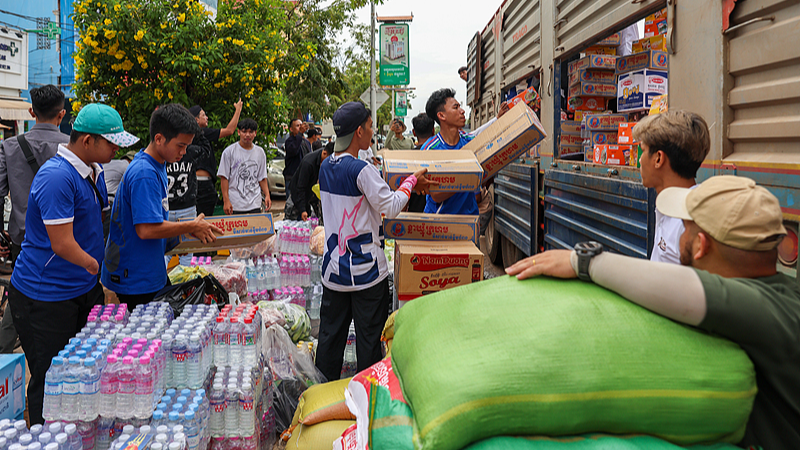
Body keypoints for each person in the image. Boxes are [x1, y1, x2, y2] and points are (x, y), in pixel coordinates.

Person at [507, 175, 799, 449]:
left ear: (700, 246)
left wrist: (583, 262)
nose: (680, 235)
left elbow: (691, 292)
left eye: (685, 227)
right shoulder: (780, 294)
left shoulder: (771, 311)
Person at [8, 103, 138, 424]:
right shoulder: (56, 177)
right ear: (87, 141)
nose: (116, 149)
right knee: (49, 375)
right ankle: (43, 433)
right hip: (45, 296)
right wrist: (97, 267)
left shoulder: (93, 171)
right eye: (111, 142)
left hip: (80, 288)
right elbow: (62, 243)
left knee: (81, 369)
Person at [315, 101, 437, 381]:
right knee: (369, 342)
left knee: (330, 340)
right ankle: (366, 399)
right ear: (359, 131)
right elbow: (391, 206)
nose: (372, 132)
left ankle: (322, 394)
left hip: (334, 271)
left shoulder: (325, 167)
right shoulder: (361, 170)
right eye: (370, 126)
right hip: (367, 274)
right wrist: (411, 182)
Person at [102, 104, 222, 310]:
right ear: (159, 139)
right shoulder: (145, 173)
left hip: (149, 271)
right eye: (180, 146)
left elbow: (156, 221)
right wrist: (190, 226)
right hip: (136, 279)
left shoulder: (157, 164)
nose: (184, 153)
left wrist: (186, 232)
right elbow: (147, 229)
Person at [0, 84, 67, 354]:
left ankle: (5, 358)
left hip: (24, 245)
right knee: (61, 308)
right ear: (61, 115)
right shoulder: (71, 147)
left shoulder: (9, 146)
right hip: (65, 245)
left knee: (20, 304)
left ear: (31, 111)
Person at [635, 110, 710, 264]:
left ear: (658, 158)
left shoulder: (689, 223)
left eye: (643, 151)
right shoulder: (669, 206)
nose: (640, 160)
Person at [422, 88, 507, 215]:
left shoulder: (470, 142)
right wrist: (468, 179)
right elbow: (436, 195)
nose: (462, 111)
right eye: (456, 108)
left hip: (469, 220)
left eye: (460, 107)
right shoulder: (431, 149)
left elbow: (484, 134)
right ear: (441, 115)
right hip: (440, 224)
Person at [188, 100, 243, 218]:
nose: (207, 117)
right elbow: (230, 130)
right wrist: (238, 110)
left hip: (192, 184)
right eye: (203, 115)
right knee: (204, 220)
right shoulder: (202, 133)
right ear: (196, 120)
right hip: (202, 185)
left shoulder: (185, 134)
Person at [218, 118, 271, 215]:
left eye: (251, 132)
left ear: (255, 133)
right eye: (244, 131)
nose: (247, 135)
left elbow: (262, 177)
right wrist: (226, 201)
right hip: (236, 204)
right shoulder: (229, 152)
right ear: (238, 132)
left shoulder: (260, 152)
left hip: (255, 204)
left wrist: (267, 195)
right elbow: (224, 178)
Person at [292, 141, 331, 222]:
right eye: (330, 159)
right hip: (298, 198)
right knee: (301, 225)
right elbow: (301, 188)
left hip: (310, 196)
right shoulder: (308, 163)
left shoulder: (323, 161)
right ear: (324, 153)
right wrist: (302, 209)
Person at [103, 150, 137, 242]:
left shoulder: (112, 163)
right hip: (110, 204)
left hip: (99, 202)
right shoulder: (128, 166)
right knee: (113, 238)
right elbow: (133, 189)